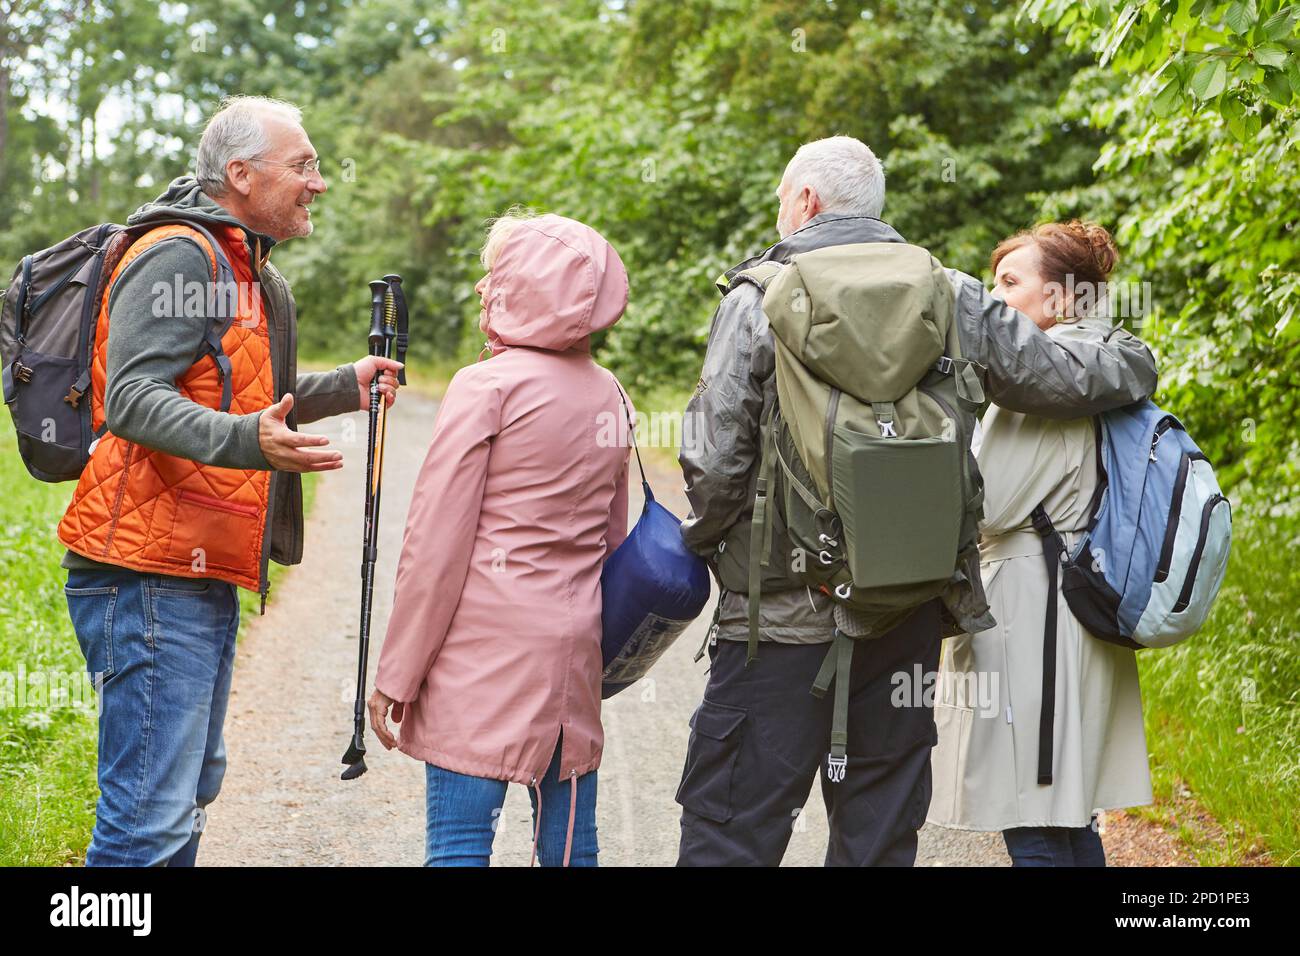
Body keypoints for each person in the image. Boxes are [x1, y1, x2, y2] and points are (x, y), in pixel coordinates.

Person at [675, 136, 1158, 867]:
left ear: (806, 200)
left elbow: (714, 460)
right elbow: (1061, 376)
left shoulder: (757, 298)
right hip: (903, 615)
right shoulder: (950, 291)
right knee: (878, 837)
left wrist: (707, 547)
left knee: (732, 832)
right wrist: (1135, 356)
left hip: (773, 620)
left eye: (783, 195)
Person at [58, 95, 405, 866]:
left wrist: (349, 382)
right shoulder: (183, 254)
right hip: (143, 574)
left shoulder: (243, 264)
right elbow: (133, 397)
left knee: (183, 794)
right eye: (304, 166)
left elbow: (251, 392)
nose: (318, 183)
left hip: (193, 568)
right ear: (241, 174)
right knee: (148, 816)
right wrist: (252, 441)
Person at [368, 211, 632, 868]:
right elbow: (614, 545)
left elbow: (434, 550)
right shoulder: (612, 395)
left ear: (528, 287)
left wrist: (398, 674)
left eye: (496, 275)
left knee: (459, 849)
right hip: (570, 663)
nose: (485, 289)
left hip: (478, 666)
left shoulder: (485, 387)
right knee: (572, 851)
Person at [928, 221, 1153, 866]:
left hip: (1033, 612)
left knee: (1031, 817)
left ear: (1059, 299)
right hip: (1074, 602)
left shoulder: (1038, 393)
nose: (994, 302)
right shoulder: (1095, 369)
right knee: (1065, 815)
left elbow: (986, 508)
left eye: (1009, 283)